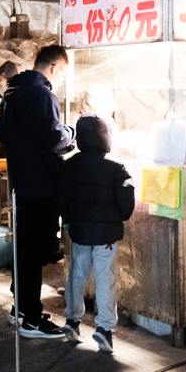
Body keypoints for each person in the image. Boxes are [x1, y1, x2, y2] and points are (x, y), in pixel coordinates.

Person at [0, 45, 75, 339]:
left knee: (24, 248)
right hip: (40, 184)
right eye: (64, 73)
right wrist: (73, 132)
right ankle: (31, 319)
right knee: (35, 251)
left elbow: (5, 136)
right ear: (55, 67)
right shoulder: (42, 94)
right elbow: (54, 137)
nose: (63, 79)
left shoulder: (13, 92)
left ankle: (21, 308)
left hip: (21, 183)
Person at [59, 113, 135, 352]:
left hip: (80, 232)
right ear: (105, 136)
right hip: (106, 235)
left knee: (77, 275)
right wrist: (118, 219)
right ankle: (104, 329)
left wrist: (68, 221)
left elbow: (61, 197)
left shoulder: (70, 164)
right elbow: (126, 198)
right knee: (105, 278)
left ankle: (72, 321)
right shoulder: (116, 165)